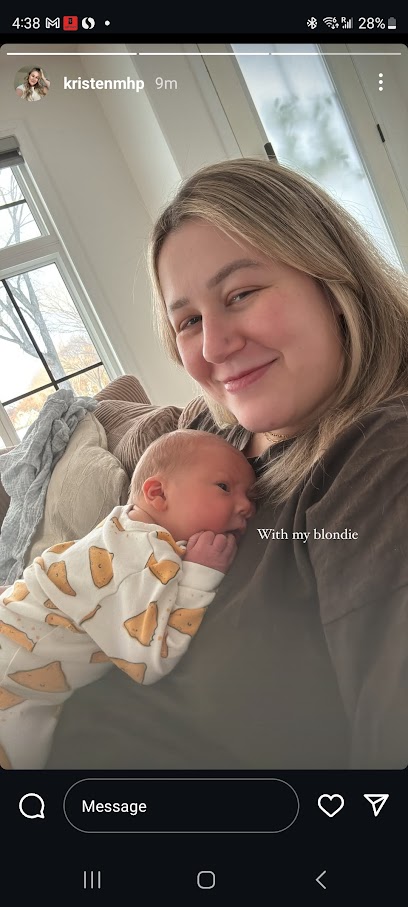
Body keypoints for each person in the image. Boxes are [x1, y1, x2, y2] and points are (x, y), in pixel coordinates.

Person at [46, 157, 408, 771]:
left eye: (241, 294)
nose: (213, 346)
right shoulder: (214, 431)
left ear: (333, 281)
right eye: (188, 321)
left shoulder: (380, 459)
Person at [0, 428, 255, 768]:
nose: (247, 506)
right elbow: (149, 660)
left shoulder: (122, 527)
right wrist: (201, 573)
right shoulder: (140, 556)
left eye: (250, 495)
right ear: (157, 493)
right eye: (224, 487)